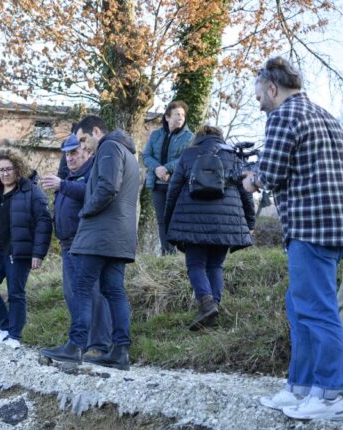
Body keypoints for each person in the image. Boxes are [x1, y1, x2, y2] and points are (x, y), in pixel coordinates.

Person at [243, 57, 343, 421]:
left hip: (309, 226)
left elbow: (270, 173)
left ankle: (331, 393)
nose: (258, 103)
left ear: (272, 88)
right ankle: (300, 387)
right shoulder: (326, 116)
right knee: (299, 306)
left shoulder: (284, 115)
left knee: (317, 310)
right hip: (333, 224)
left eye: (259, 96)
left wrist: (250, 178)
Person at [164, 126, 255, 330]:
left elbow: (173, 188)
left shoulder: (188, 154)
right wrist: (249, 222)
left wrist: (169, 220)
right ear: (219, 137)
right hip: (227, 222)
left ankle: (207, 304)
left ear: (198, 138)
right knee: (215, 265)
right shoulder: (233, 155)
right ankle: (212, 311)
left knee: (195, 264)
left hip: (192, 220)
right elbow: (246, 190)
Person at [67, 115, 140, 370]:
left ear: (96, 131)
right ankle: (120, 351)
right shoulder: (128, 153)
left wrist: (86, 210)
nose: (83, 147)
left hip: (100, 233)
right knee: (114, 291)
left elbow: (108, 187)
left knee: (82, 286)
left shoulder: (109, 147)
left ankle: (74, 346)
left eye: (84, 140)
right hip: (120, 235)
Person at [39, 134, 113, 362]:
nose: (69, 158)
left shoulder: (91, 173)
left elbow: (91, 194)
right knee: (73, 295)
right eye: (67, 154)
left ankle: (99, 345)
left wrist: (63, 185)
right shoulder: (71, 176)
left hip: (85, 243)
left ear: (87, 153)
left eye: (74, 152)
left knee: (93, 294)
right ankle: (79, 343)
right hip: (68, 243)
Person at [0, 148, 52, 347]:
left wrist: (38, 253)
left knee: (16, 293)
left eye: (9, 169)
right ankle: (5, 327)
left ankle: (15, 336)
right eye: (1, 170)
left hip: (19, 252)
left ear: (18, 169)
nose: (5, 173)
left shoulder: (31, 191)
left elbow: (43, 222)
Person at [143, 100, 194, 255]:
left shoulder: (189, 137)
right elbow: (146, 156)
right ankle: (167, 253)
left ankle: (180, 253)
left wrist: (167, 168)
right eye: (177, 114)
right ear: (167, 117)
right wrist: (157, 168)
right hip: (157, 185)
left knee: (174, 219)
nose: (181, 117)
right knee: (161, 220)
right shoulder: (156, 135)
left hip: (177, 184)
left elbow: (186, 158)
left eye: (183, 115)